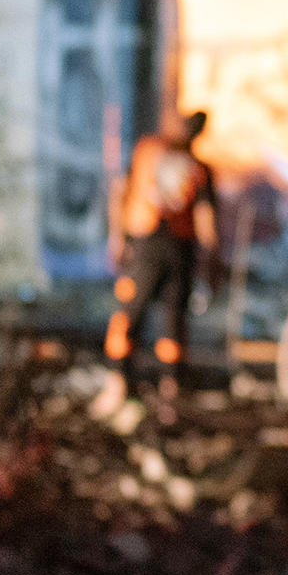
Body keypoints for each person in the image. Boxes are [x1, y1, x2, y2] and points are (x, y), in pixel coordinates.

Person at [92, 112, 217, 419]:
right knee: (139, 315)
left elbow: (121, 191)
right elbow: (123, 190)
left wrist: (117, 237)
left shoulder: (163, 156)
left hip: (165, 247)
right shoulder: (153, 153)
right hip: (155, 245)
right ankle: (127, 384)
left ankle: (161, 391)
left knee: (163, 318)